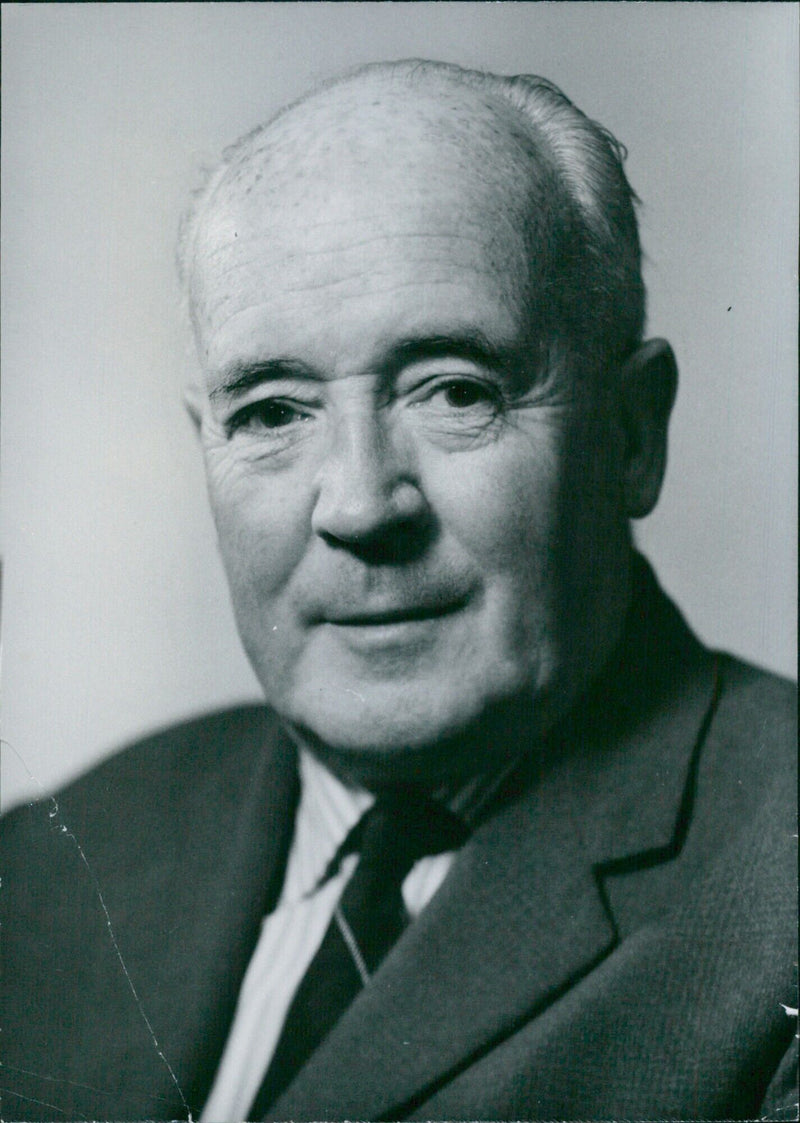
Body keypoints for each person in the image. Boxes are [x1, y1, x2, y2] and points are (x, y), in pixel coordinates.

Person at [1, 59, 796, 1123]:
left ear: (630, 435)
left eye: (456, 389)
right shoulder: (51, 868)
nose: (362, 504)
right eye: (273, 413)